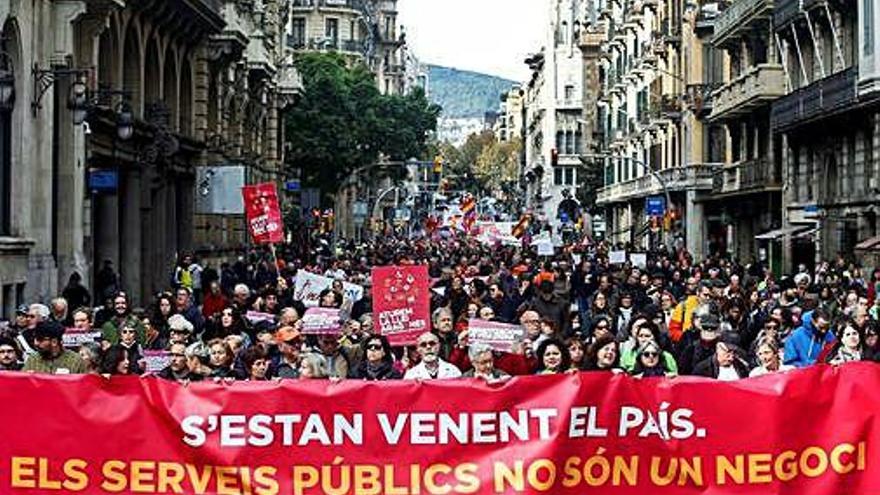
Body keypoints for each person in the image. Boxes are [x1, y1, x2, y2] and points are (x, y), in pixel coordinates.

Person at [22, 321, 87, 374]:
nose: (36, 343)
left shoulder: (75, 360)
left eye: (40, 340)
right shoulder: (33, 359)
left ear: (54, 342)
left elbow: (82, 386)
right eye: (35, 339)